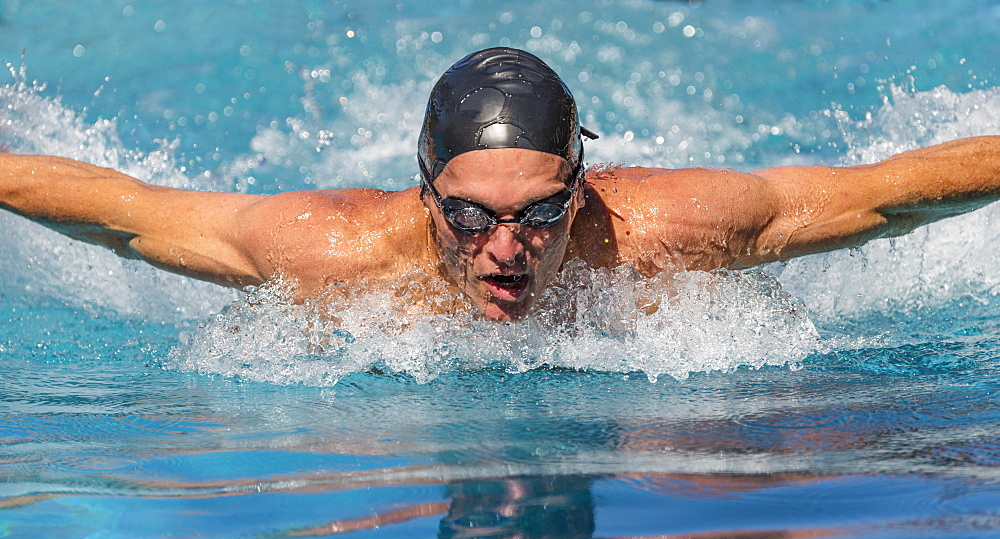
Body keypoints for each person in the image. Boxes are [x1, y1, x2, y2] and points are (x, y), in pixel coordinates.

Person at [2, 47, 999, 322]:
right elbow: (123, 218)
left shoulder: (660, 230)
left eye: (542, 214)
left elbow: (890, 195)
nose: (507, 250)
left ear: (583, 182)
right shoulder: (335, 253)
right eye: (470, 216)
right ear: (425, 193)